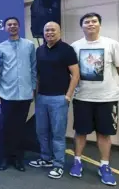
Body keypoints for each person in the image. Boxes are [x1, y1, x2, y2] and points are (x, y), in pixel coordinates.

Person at [69, 12, 119, 186]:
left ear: (99, 25)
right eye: (87, 22)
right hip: (82, 97)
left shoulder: (112, 44)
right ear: (82, 26)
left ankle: (104, 165)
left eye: (94, 21)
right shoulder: (75, 46)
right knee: (80, 132)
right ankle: (77, 161)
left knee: (104, 133)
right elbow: (71, 71)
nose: (91, 24)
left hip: (106, 98)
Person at [28, 21, 79, 179]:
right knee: (41, 131)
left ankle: (58, 164)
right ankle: (45, 158)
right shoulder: (39, 50)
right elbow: (37, 75)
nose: (49, 32)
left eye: (53, 30)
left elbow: (75, 75)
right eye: (47, 30)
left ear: (59, 32)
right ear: (43, 33)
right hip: (42, 97)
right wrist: (35, 95)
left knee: (57, 134)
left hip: (59, 98)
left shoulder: (67, 50)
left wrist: (68, 96)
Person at [0, 17, 36, 172]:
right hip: (7, 94)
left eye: (15, 24)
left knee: (20, 128)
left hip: (25, 94)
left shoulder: (29, 45)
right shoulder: (0, 47)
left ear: (19, 27)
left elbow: (33, 68)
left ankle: (19, 159)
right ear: (5, 28)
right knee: (6, 127)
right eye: (9, 25)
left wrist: (33, 88)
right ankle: (6, 158)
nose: (12, 26)